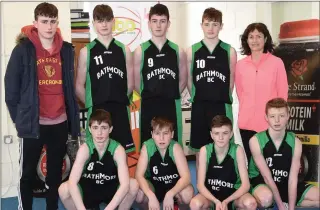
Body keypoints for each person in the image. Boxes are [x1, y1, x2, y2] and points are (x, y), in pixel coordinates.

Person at [4, 2, 80, 210]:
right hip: (34, 124)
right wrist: (21, 120)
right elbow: (11, 91)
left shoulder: (66, 50)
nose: (49, 26)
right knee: (28, 173)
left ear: (57, 22)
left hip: (60, 122)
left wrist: (72, 122)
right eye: (44, 22)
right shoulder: (23, 50)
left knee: (55, 173)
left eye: (52, 21)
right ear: (35, 23)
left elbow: (69, 89)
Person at [76, 4, 135, 153]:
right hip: (97, 110)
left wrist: (119, 99)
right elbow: (78, 86)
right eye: (100, 20)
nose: (104, 24)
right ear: (94, 23)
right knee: (96, 155)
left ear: (113, 21)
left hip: (119, 109)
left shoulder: (124, 50)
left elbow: (130, 83)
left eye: (107, 20)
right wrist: (92, 104)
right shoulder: (86, 52)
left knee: (121, 155)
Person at [186, 7, 237, 166]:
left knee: (223, 145)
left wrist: (220, 95)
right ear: (201, 25)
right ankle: (202, 183)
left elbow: (231, 80)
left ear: (221, 26)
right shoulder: (192, 51)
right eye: (207, 24)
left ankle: (223, 179)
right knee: (200, 149)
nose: (211, 28)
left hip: (221, 104)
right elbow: (189, 79)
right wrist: (197, 96)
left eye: (215, 24)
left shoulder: (229, 51)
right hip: (200, 104)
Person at [59, 109, 138, 210]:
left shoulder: (118, 150)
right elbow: (72, 182)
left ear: (110, 129)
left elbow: (125, 184)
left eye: (104, 128)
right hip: (89, 188)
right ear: (90, 129)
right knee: (63, 189)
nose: (99, 132)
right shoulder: (85, 149)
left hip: (110, 188)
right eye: (95, 128)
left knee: (133, 185)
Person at [249, 98, 319, 210]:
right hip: (264, 183)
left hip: (286, 182)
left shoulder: (295, 142)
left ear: (288, 116)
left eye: (281, 116)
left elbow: (293, 178)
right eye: (272, 116)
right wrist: (281, 207)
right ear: (266, 117)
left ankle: (294, 203)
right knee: (266, 199)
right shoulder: (255, 141)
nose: (277, 120)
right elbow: (267, 178)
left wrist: (291, 209)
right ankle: (278, 202)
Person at [133, 3, 187, 148]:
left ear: (168, 24)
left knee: (173, 145)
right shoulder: (141, 51)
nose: (158, 25)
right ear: (149, 23)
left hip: (170, 104)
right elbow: (136, 82)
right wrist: (151, 93)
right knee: (148, 145)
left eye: (162, 21)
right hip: (149, 104)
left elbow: (183, 80)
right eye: (155, 21)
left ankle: (173, 170)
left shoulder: (178, 51)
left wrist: (169, 93)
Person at [235, 23, 288, 162]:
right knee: (252, 163)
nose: (255, 40)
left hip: (269, 123)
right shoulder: (240, 65)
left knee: (270, 163)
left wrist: (278, 118)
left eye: (259, 36)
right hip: (246, 123)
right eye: (251, 36)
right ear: (246, 40)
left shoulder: (277, 63)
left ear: (265, 39)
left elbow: (282, 94)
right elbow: (240, 93)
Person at [189, 115, 257, 210]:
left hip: (233, 196)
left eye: (225, 133)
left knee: (250, 203)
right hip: (211, 196)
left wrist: (226, 201)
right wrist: (216, 201)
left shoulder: (237, 150)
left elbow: (246, 185)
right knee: (195, 204)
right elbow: (200, 185)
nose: (220, 137)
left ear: (231, 134)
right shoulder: (205, 150)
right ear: (211, 135)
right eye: (216, 133)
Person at [135, 117, 194, 210]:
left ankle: (178, 206)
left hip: (174, 185)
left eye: (165, 133)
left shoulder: (176, 147)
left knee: (188, 193)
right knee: (139, 193)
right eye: (157, 133)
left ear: (172, 134)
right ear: (152, 134)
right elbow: (138, 175)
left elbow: (186, 177)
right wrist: (150, 195)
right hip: (154, 185)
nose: (161, 138)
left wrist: (171, 194)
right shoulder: (147, 147)